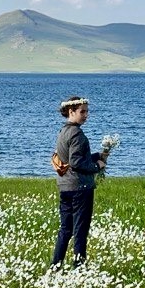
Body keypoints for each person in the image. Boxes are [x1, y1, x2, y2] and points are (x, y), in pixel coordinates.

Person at [52, 96, 107, 268]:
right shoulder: (76, 133)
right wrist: (97, 166)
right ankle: (79, 267)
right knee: (80, 230)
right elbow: (76, 162)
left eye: (87, 111)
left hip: (65, 185)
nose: (86, 115)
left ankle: (56, 265)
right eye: (82, 111)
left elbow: (71, 159)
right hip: (80, 187)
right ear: (71, 112)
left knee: (65, 228)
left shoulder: (63, 132)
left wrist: (97, 156)